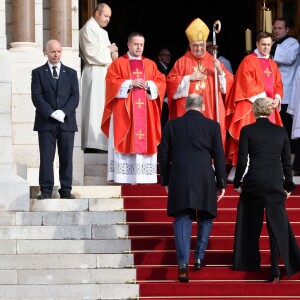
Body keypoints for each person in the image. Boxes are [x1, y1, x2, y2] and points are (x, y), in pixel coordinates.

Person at [159, 93, 226, 283]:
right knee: (205, 215)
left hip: (179, 176)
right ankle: (198, 257)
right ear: (202, 107)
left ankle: (182, 263)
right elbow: (219, 156)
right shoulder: (212, 126)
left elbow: (163, 154)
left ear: (185, 106)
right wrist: (221, 182)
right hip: (204, 177)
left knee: (182, 218)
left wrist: (165, 180)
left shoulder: (172, 125)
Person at [233, 97, 300, 282]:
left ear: (254, 112)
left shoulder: (247, 130)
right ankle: (275, 268)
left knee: (249, 222)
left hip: (254, 181)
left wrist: (237, 182)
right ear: (270, 112)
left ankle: (249, 261)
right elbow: (287, 161)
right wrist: (288, 184)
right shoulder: (280, 132)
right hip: (275, 181)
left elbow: (242, 161)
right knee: (276, 226)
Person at [101, 32, 166, 184]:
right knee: (124, 137)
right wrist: (130, 83)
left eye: (141, 45)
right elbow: (111, 82)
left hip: (145, 113)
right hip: (124, 112)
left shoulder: (150, 64)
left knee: (143, 138)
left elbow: (161, 81)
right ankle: (122, 176)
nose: (139, 47)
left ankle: (143, 177)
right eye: (136, 44)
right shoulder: (118, 64)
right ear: (129, 45)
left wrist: (149, 84)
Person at [166, 18, 234, 147]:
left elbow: (228, 85)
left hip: (211, 109)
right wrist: (188, 78)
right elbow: (170, 82)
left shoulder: (213, 61)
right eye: (195, 45)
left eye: (201, 45)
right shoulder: (181, 62)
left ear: (205, 45)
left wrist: (220, 71)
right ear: (190, 45)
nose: (198, 48)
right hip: (188, 111)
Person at [225, 31, 283, 181]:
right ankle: (242, 172)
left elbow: (278, 84)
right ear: (257, 44)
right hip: (252, 106)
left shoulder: (272, 64)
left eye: (269, 45)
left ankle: (267, 170)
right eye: (263, 44)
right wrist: (265, 99)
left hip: (270, 107)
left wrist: (276, 98)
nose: (266, 48)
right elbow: (246, 83)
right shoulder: (248, 60)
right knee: (250, 138)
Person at [31, 40, 79, 199]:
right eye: (52, 52)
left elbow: (75, 97)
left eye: (58, 51)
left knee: (66, 157)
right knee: (46, 157)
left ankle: (66, 189)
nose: (56, 55)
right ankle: (46, 189)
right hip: (46, 122)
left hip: (66, 122)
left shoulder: (71, 73)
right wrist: (51, 113)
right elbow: (37, 97)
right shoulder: (38, 72)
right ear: (46, 52)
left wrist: (63, 112)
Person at [79, 3, 118, 153]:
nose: (108, 19)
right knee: (94, 108)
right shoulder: (88, 28)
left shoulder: (102, 32)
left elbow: (111, 53)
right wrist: (109, 50)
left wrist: (113, 52)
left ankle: (102, 142)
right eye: (106, 16)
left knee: (102, 108)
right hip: (94, 73)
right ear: (97, 13)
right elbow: (91, 54)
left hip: (104, 74)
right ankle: (92, 143)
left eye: (109, 17)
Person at [271, 17, 300, 174]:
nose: (276, 30)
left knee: (286, 130)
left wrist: (271, 47)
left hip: (287, 94)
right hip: (274, 92)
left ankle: (288, 162)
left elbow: (289, 59)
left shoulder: (293, 43)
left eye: (280, 28)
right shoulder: (273, 44)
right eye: (275, 28)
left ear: (287, 29)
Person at [156, 48, 172, 132]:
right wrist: (165, 97)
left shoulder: (166, 68)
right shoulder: (158, 68)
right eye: (165, 55)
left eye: (169, 55)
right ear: (159, 57)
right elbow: (160, 84)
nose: (168, 57)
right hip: (161, 100)